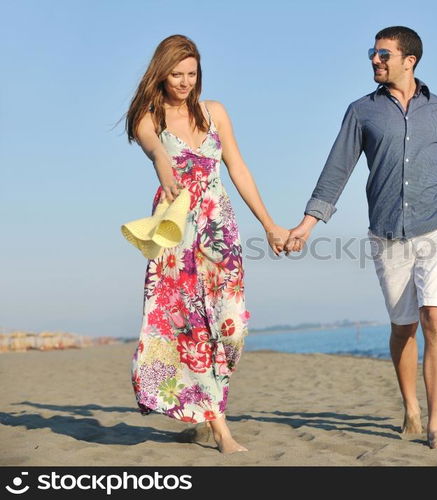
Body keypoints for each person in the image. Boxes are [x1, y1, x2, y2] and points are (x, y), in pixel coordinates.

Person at [285, 26, 437, 449]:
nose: (374, 60)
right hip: (386, 233)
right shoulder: (362, 112)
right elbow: (336, 171)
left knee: (436, 318)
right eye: (372, 53)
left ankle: (436, 424)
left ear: (409, 60)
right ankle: (411, 409)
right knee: (404, 327)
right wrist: (307, 226)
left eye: (383, 54)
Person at [125, 34, 289, 454]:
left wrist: (269, 224)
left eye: (191, 74)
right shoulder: (150, 115)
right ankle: (222, 432)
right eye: (176, 74)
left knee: (232, 327)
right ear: (161, 74)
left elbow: (237, 167)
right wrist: (163, 162)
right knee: (194, 329)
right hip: (177, 237)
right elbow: (152, 148)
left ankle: (202, 404)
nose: (184, 82)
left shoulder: (214, 112)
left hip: (220, 230)